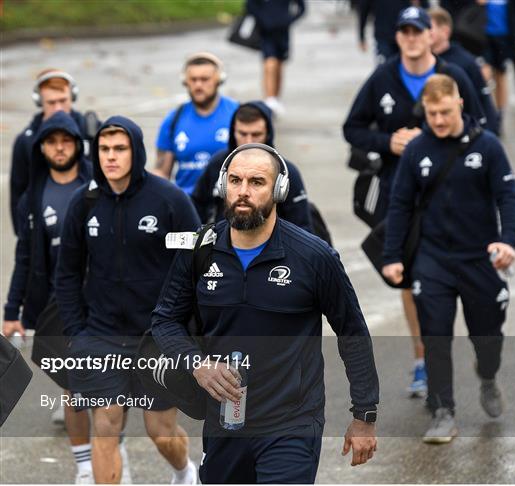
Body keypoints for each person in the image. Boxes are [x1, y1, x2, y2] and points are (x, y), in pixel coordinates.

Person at [151, 144, 379, 484]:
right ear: (222, 185)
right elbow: (165, 319)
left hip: (292, 423)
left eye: (257, 182)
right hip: (225, 420)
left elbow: (352, 333)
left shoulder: (314, 257)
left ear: (279, 190)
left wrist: (365, 415)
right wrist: (197, 364)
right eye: (235, 180)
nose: (243, 191)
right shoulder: (199, 251)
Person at [343, 5, 486, 398]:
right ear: (399, 37)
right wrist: (388, 141)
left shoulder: (453, 75)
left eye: (416, 31)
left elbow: (482, 123)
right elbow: (352, 127)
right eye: (403, 32)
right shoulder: (383, 76)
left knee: (462, 276)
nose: (409, 38)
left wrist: (442, 140)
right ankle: (423, 359)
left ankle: (475, 345)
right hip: (399, 193)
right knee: (411, 279)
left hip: (453, 194)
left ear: (431, 34)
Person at [55, 116, 201, 484]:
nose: (111, 157)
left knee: (160, 431)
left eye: (119, 149)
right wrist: (77, 332)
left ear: (135, 151)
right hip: (101, 336)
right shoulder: (83, 202)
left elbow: (197, 268)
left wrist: (186, 332)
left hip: (158, 337)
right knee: (105, 424)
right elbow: (68, 273)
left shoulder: (169, 200)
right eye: (104, 149)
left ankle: (185, 473)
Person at [382, 74, 515, 443]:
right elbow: (399, 205)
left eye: (445, 112)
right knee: (436, 336)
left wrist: (508, 241)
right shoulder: (416, 150)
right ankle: (442, 410)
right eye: (432, 114)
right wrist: (392, 256)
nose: (439, 120)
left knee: (487, 335)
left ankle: (488, 375)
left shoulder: (488, 146)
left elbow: (509, 198)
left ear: (459, 103)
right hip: (434, 259)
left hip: (480, 257)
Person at [3, 111, 95, 484]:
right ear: (42, 148)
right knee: (74, 387)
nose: (59, 148)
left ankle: (110, 453)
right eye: (52, 142)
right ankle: (86, 466)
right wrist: (13, 309)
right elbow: (24, 257)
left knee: (108, 390)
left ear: (77, 145)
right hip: (54, 307)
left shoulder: (97, 187)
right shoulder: (33, 197)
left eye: (67, 141)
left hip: (98, 303)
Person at [191, 100, 313, 232]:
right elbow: (197, 207)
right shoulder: (218, 164)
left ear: (268, 135)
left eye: (256, 135)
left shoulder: (286, 172)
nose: (248, 141)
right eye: (242, 134)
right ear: (233, 133)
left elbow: (302, 227)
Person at [10, 69, 99, 235]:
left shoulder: (92, 131)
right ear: (39, 103)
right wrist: (25, 237)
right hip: (46, 227)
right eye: (51, 103)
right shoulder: (26, 142)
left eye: (63, 100)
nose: (58, 108)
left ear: (72, 97)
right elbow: (18, 191)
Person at [154, 52, 238, 194]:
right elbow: (162, 171)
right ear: (185, 81)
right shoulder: (173, 120)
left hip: (226, 202)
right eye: (193, 79)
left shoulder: (237, 114)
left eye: (205, 79)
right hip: (187, 204)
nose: (198, 85)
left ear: (219, 80)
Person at [429, 6, 500, 134]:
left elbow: (484, 102)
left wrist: (490, 134)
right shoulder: (420, 63)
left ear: (445, 31)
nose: (424, 33)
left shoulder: (466, 62)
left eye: (429, 29)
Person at [246, 0, 306, 115]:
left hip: (283, 33)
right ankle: (269, 99)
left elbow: (302, 8)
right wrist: (263, 20)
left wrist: (288, 20)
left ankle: (275, 98)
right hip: (266, 33)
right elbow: (250, 6)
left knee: (279, 65)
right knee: (270, 63)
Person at [355, 0, 428, 63]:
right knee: (384, 69)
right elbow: (363, 10)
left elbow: (426, 8)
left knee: (409, 66)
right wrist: (361, 36)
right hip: (383, 36)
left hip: (406, 33)